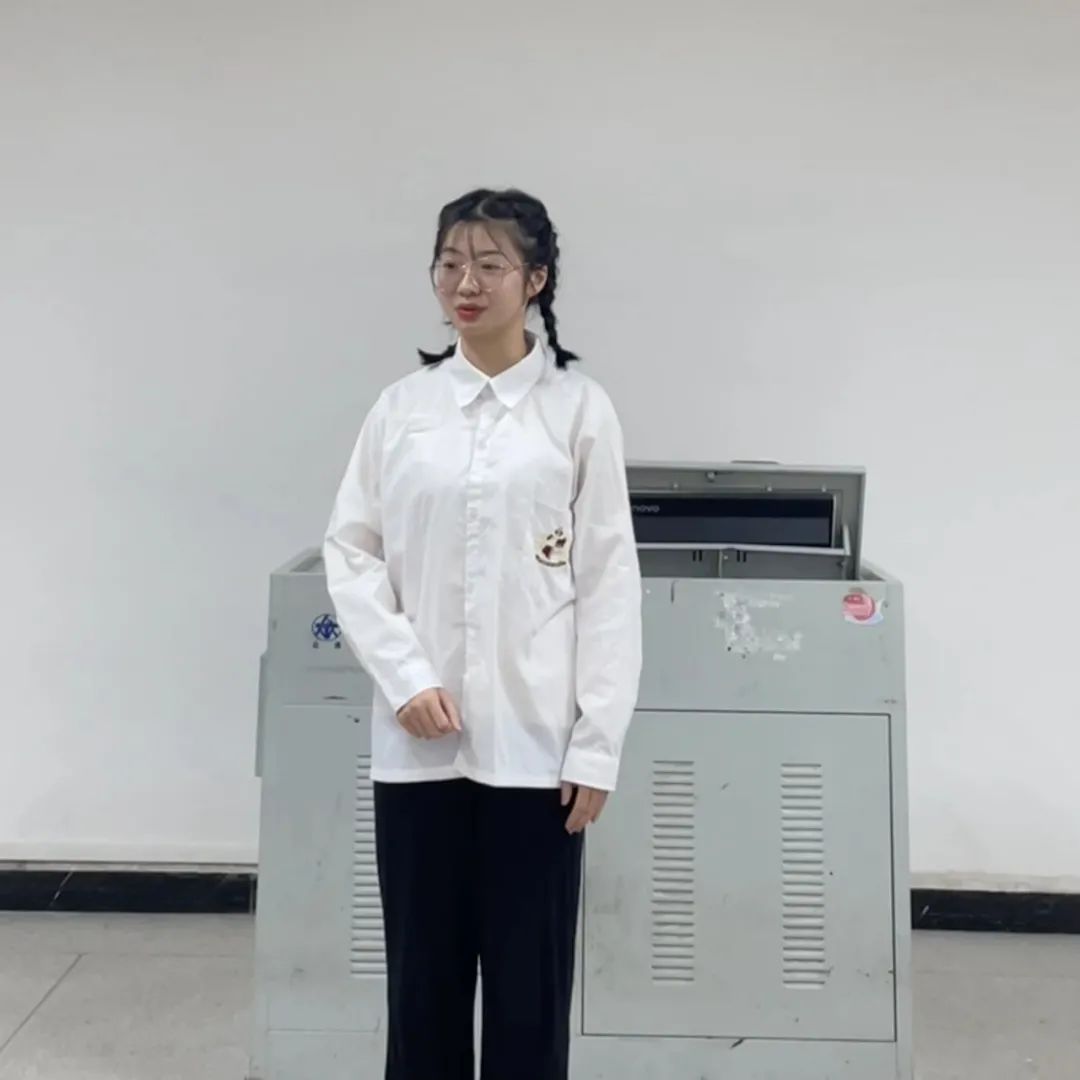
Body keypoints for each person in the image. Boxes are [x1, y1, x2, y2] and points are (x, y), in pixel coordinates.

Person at [323, 188, 643, 1080]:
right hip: (420, 752)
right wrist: (404, 676)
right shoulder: (402, 409)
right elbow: (351, 550)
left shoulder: (578, 410)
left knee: (528, 1003)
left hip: (536, 756)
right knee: (421, 997)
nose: (466, 283)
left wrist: (598, 743)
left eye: (490, 265)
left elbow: (609, 583)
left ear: (535, 280)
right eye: (450, 264)